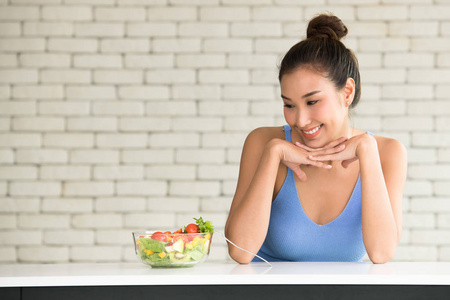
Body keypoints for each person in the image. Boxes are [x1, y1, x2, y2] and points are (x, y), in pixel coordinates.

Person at [224, 13, 407, 264]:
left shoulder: (387, 153)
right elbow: (240, 252)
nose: (299, 120)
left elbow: (382, 253)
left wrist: (366, 150)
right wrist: (274, 153)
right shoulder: (262, 142)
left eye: (312, 102)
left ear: (347, 92)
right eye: (289, 105)